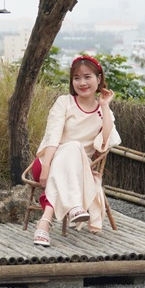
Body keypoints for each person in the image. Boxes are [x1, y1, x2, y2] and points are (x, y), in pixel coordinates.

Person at [32, 55, 121, 247]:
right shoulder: (64, 102)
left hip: (79, 172)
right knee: (72, 146)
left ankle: (44, 225)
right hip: (47, 162)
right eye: (77, 78)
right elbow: (53, 136)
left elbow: (105, 141)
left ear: (99, 79)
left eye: (87, 77)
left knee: (75, 149)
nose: (82, 82)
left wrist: (105, 106)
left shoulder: (102, 112)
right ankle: (74, 206)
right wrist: (46, 166)